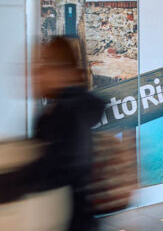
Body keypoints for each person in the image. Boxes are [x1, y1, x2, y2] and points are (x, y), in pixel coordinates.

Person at [15, 37, 105, 230]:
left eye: (42, 66)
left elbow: (50, 174)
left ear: (59, 70)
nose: (35, 75)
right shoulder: (76, 109)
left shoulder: (61, 116)